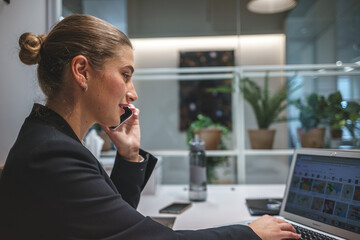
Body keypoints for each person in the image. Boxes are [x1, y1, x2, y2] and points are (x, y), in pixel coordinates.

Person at [0, 14, 301, 240]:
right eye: (125, 74)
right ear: (81, 71)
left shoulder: (52, 140)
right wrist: (250, 233)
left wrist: (129, 155)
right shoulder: (52, 153)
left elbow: (116, 225)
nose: (133, 92)